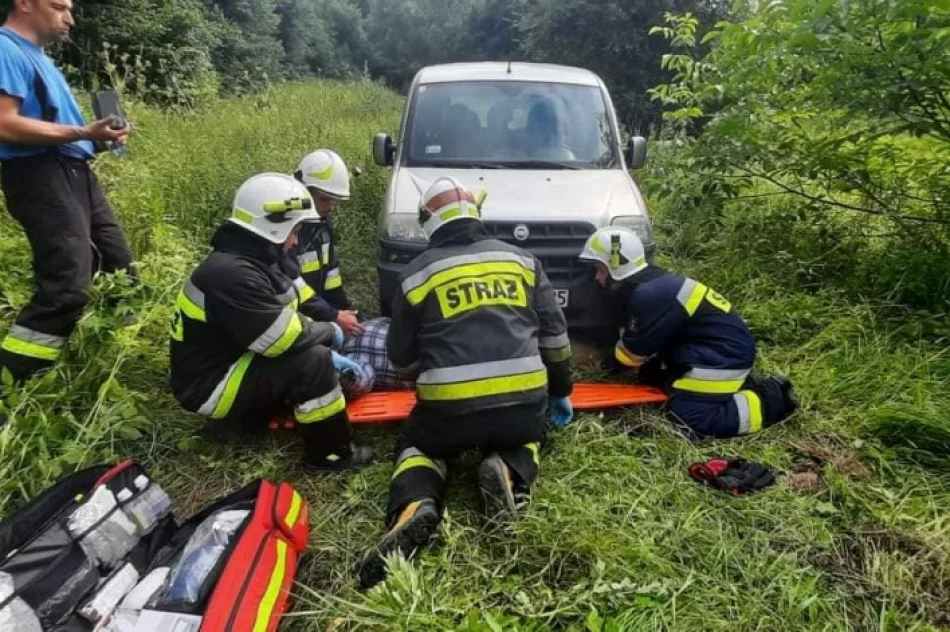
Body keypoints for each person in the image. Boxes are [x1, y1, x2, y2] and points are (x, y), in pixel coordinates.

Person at [357, 177, 574, 589]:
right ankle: (508, 467)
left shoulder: (415, 275)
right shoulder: (523, 262)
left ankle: (416, 503)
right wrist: (560, 391)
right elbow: (556, 340)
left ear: (428, 223)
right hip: (522, 405)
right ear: (477, 214)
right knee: (530, 433)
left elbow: (400, 361)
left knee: (416, 445)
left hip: (448, 413)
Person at [169, 173, 374, 470]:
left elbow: (284, 314)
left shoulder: (254, 260)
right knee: (313, 361)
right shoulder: (233, 275)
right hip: (212, 387)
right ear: (273, 227)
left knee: (311, 352)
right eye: (294, 230)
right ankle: (330, 453)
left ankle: (245, 421)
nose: (294, 241)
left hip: (234, 362)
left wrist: (325, 324)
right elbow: (282, 340)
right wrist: (330, 332)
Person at [0, 0, 134, 382]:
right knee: (68, 287)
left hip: (76, 172)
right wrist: (82, 132)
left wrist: (100, 138)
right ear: (24, 3)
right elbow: (4, 124)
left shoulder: (40, 57)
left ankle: (109, 365)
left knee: (119, 269)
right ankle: (12, 384)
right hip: (40, 173)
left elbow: (61, 127)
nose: (69, 18)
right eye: (59, 7)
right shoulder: (6, 48)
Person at [577, 227, 798, 438]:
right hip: (708, 350)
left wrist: (605, 363)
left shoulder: (649, 296)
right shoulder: (656, 287)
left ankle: (772, 398)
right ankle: (732, 387)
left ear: (616, 266)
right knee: (653, 378)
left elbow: (632, 355)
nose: (597, 278)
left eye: (599, 269)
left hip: (721, 358)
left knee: (689, 420)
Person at [290, 148, 362, 336]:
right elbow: (290, 284)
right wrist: (334, 316)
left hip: (319, 314)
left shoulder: (322, 224)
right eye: (324, 199)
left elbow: (331, 275)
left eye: (333, 201)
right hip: (293, 322)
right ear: (302, 191)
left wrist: (344, 310)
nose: (329, 208)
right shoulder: (285, 231)